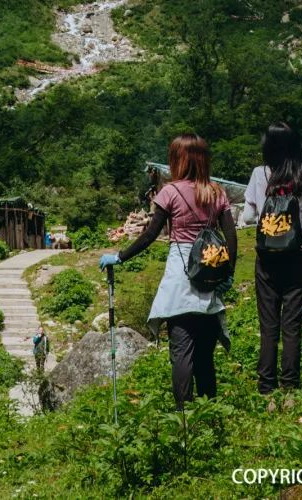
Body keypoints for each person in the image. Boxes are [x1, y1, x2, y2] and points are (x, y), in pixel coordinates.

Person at [100, 132, 237, 406]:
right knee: (205, 354)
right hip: (209, 272)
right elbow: (232, 238)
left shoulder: (169, 192)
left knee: (182, 350)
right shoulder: (216, 193)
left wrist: (120, 256)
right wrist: (228, 273)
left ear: (178, 160)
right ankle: (209, 409)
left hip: (181, 278)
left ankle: (183, 415)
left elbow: (150, 235)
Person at [242, 121, 302, 395]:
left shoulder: (259, 174)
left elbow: (247, 217)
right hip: (297, 256)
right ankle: (290, 388)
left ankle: (266, 387)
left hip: (267, 259)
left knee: (268, 327)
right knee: (292, 326)